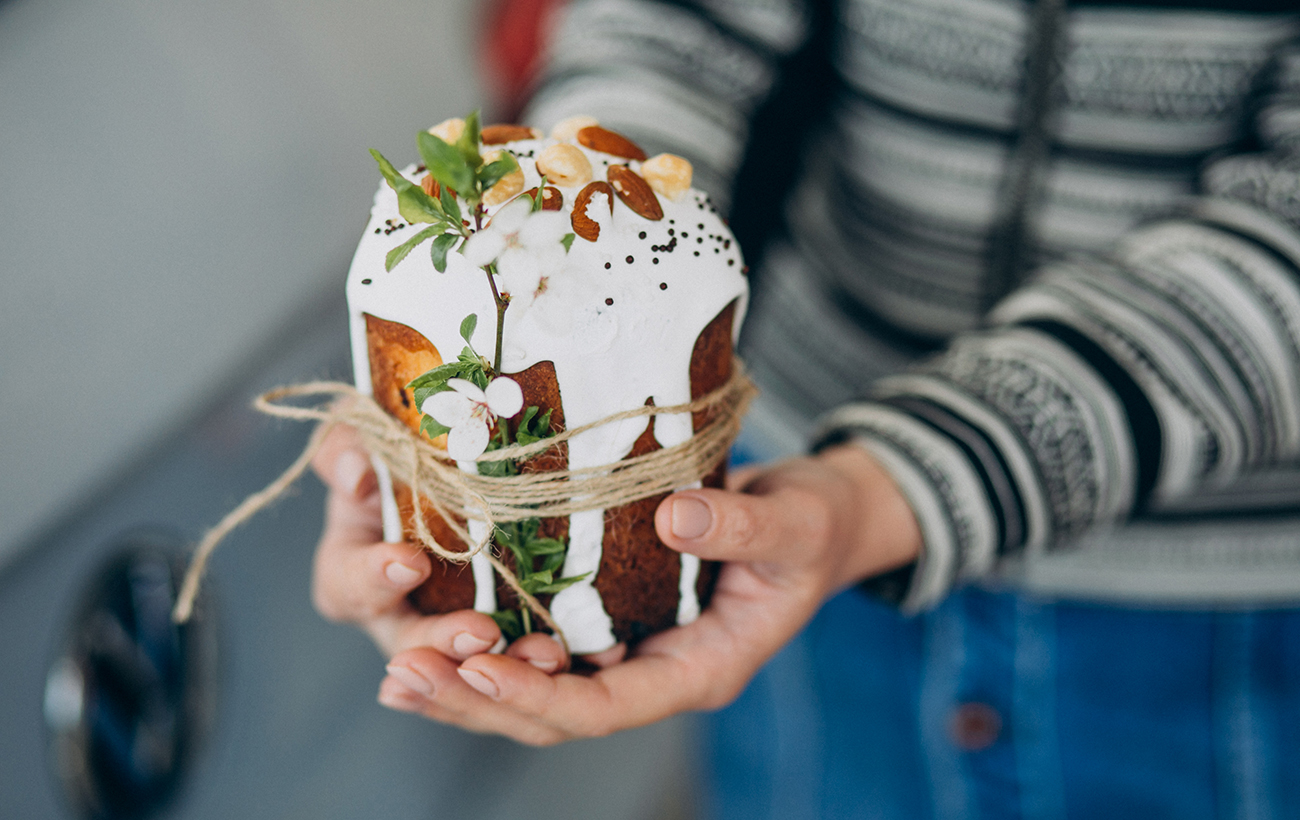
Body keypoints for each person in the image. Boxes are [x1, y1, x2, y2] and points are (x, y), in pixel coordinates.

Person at [312, 0, 1300, 814]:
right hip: (785, 533)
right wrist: (550, 280)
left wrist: (891, 492)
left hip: (1213, 610)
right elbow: (676, 26)